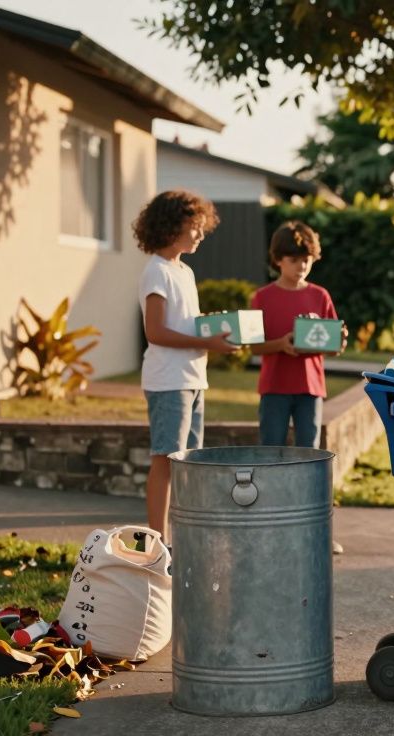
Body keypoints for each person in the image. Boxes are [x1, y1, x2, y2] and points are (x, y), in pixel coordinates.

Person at [135, 190, 238, 542]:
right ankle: (157, 541)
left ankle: (184, 536)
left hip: (193, 378)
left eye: (201, 226)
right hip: (168, 381)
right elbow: (156, 331)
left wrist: (209, 330)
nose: (200, 233)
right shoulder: (156, 272)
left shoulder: (185, 272)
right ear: (171, 226)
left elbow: (182, 324)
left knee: (188, 462)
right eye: (194, 226)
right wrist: (206, 342)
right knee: (166, 459)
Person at [250, 221, 347, 447]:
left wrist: (339, 341)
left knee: (309, 452)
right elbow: (254, 347)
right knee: (270, 450)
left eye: (306, 260)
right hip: (274, 387)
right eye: (294, 260)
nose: (301, 266)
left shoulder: (320, 296)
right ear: (278, 260)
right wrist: (281, 344)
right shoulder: (262, 297)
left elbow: (333, 347)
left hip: (310, 388)